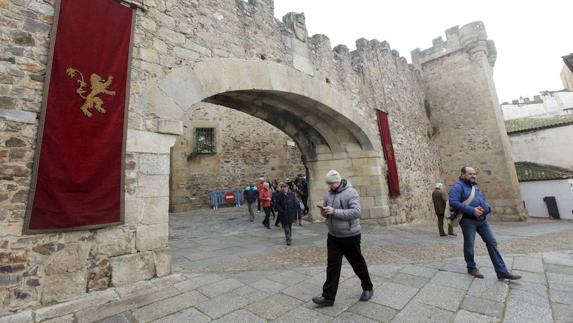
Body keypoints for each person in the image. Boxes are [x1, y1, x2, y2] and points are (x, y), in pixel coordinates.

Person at [312, 170, 373, 307]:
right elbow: (328, 214)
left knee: (357, 263)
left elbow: (356, 212)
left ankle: (368, 287)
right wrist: (325, 212)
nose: (330, 186)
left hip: (350, 236)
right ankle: (328, 298)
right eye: (328, 184)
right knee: (332, 266)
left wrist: (334, 211)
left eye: (332, 183)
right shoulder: (328, 194)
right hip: (333, 236)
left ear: (338, 181)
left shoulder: (351, 193)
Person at [449, 166, 521, 280]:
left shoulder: (475, 186)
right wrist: (472, 210)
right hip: (468, 220)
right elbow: (453, 202)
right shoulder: (457, 187)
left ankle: (502, 271)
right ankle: (471, 268)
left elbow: (481, 199)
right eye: (470, 174)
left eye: (474, 174)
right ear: (462, 174)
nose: (473, 176)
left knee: (492, 243)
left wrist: (487, 208)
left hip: (482, 220)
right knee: (469, 244)